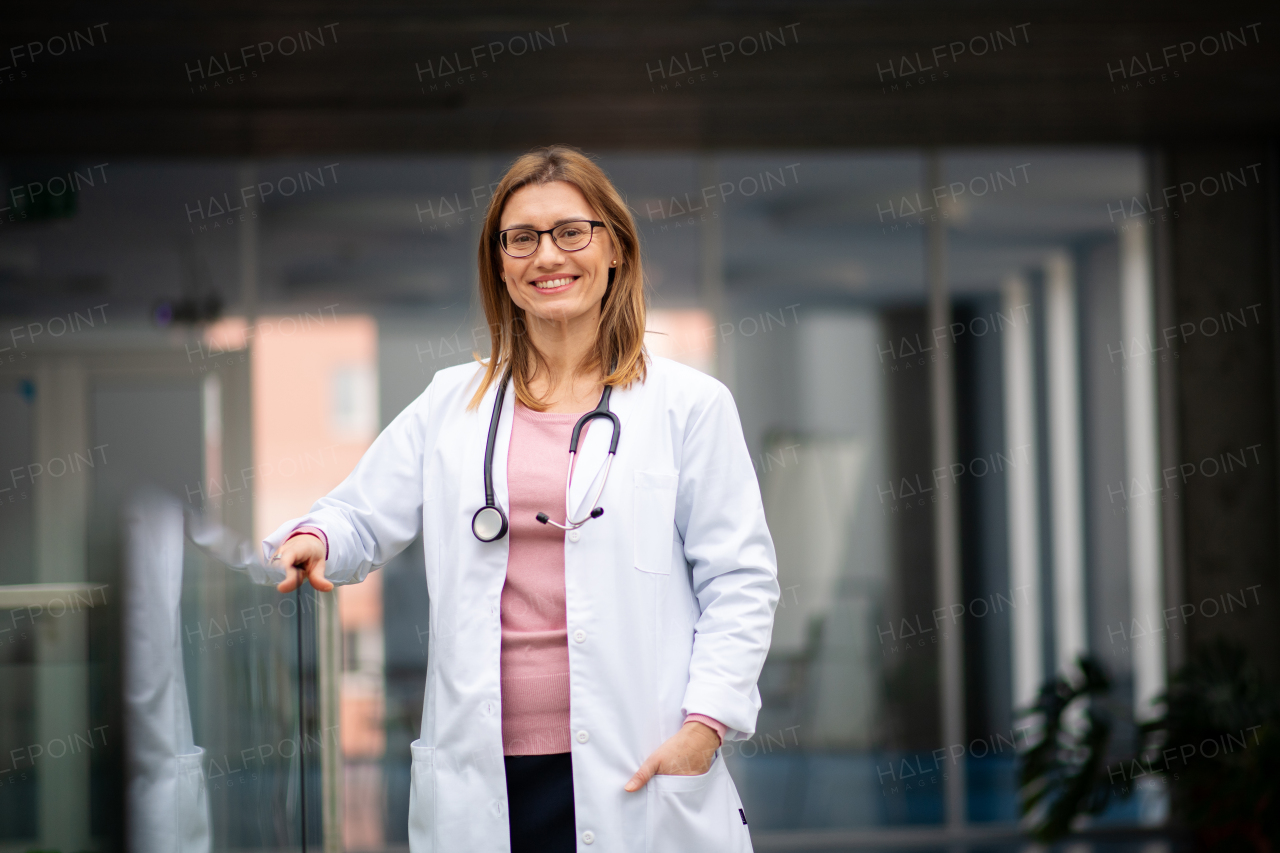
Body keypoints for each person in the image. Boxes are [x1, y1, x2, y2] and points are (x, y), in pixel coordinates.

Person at [263, 145, 779, 853]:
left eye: (572, 231)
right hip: (487, 772)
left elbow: (741, 581)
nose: (547, 255)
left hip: (641, 759)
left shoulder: (688, 405)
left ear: (615, 250)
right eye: (522, 238)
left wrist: (704, 726)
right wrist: (316, 537)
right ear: (501, 266)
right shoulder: (452, 402)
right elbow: (355, 514)